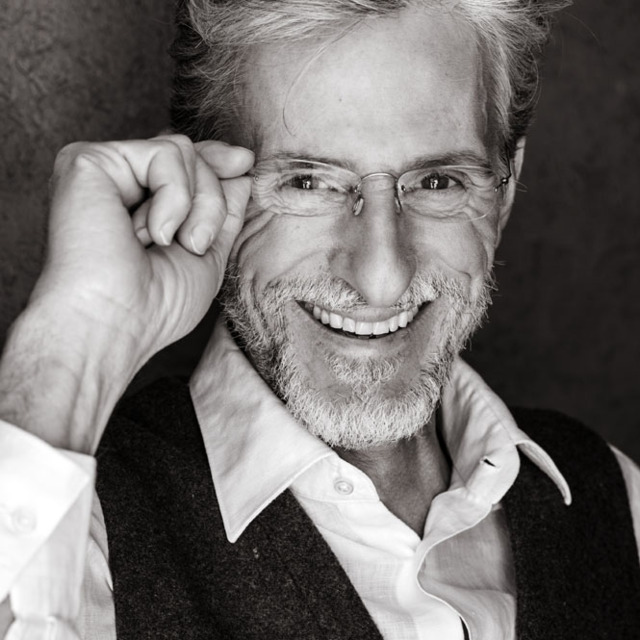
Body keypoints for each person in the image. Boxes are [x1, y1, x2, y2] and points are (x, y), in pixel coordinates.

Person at [1, 0, 639, 638]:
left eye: (438, 182)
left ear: (504, 190)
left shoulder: (619, 504)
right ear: (200, 184)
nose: (382, 276)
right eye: (307, 182)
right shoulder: (72, 537)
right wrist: (77, 339)